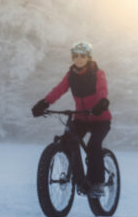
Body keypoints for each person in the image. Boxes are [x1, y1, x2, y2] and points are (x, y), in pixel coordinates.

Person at [31, 41, 111, 195]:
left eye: (82, 55)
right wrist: (44, 103)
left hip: (100, 118)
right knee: (67, 142)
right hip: (81, 118)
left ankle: (98, 184)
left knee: (94, 147)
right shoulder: (71, 76)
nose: (78, 59)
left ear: (89, 57)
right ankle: (80, 180)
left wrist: (102, 102)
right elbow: (58, 90)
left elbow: (102, 89)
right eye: (75, 56)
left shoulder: (97, 73)